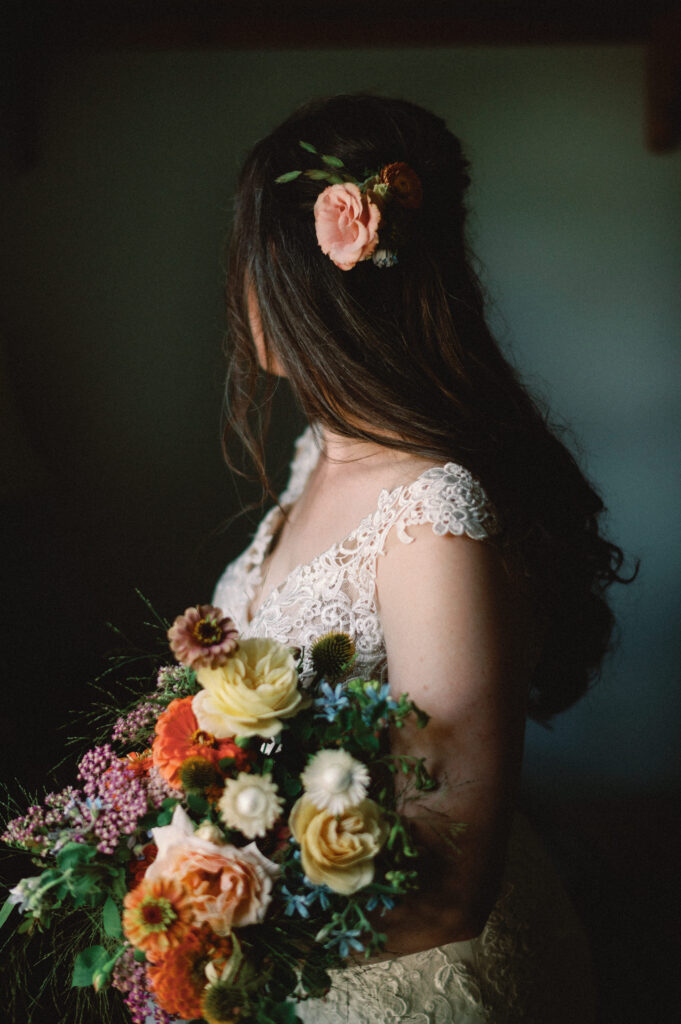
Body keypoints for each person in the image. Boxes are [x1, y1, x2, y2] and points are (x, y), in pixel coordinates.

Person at [213, 94, 629, 1024]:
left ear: (309, 277)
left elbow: (449, 885)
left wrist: (205, 923)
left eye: (250, 261)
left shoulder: (432, 518)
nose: (238, 290)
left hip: (412, 978)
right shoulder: (321, 449)